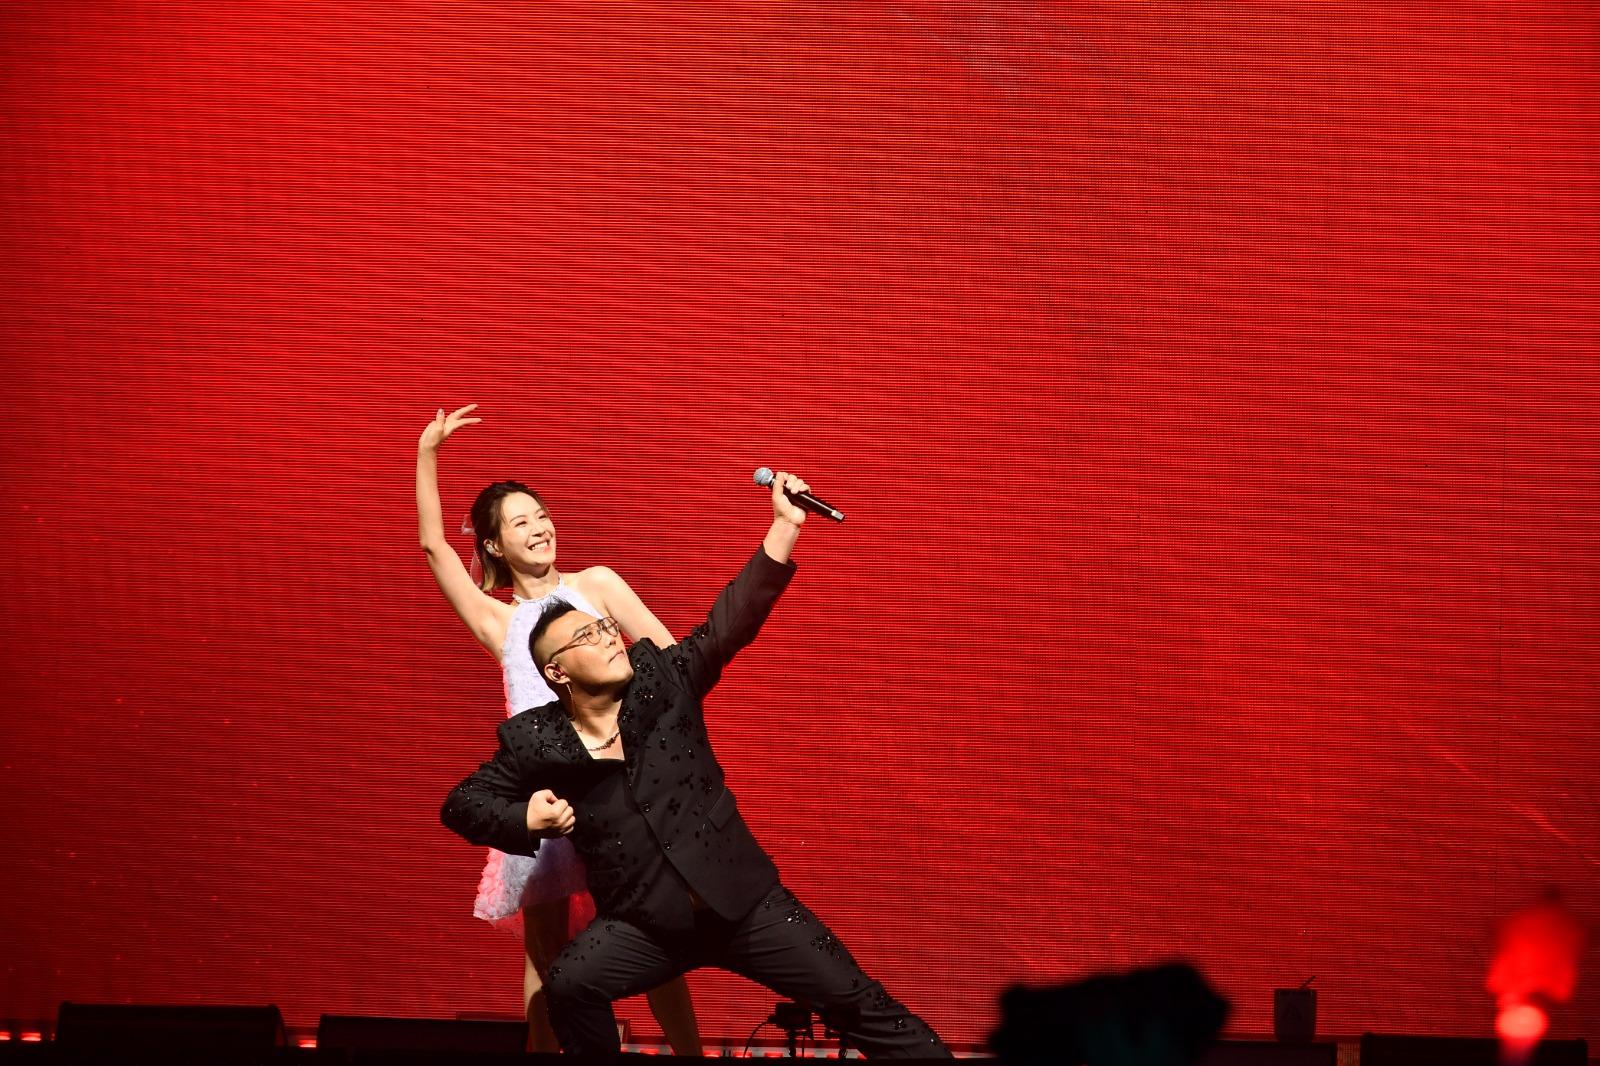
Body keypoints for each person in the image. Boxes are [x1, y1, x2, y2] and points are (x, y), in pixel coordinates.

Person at [440, 470, 951, 1058]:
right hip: (644, 926)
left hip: (744, 905)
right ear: (557, 672)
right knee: (569, 984)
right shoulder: (539, 737)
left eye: (605, 627)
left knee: (863, 1005)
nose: (608, 638)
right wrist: (524, 819)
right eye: (587, 637)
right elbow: (463, 803)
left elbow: (728, 623)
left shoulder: (664, 682)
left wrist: (783, 528)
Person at [417, 405, 701, 1053]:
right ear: (494, 545)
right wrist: (428, 453)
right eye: (521, 522)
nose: (540, 527)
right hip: (547, 802)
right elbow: (434, 548)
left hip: (619, 791)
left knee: (651, 938)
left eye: (542, 514)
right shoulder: (499, 621)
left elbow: (671, 661)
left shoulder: (597, 584)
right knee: (546, 956)